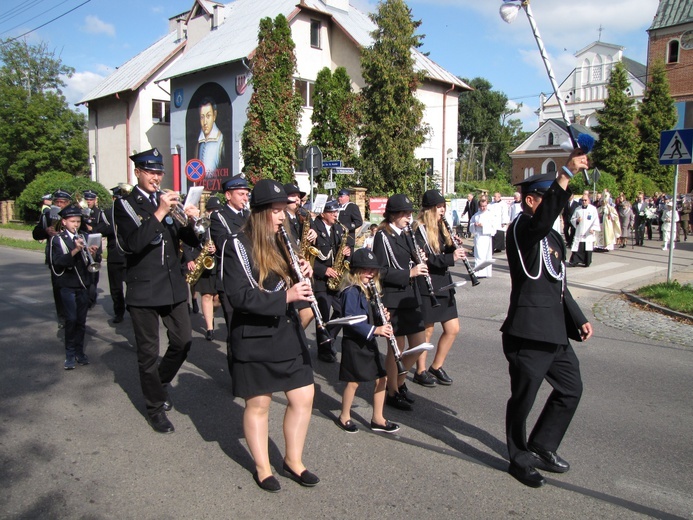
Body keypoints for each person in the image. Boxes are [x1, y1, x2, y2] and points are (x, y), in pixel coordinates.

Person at [501, 151, 593, 488]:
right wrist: (566, 172)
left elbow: (558, 284)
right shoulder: (524, 228)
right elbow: (541, 222)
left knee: (571, 388)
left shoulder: (552, 236)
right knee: (523, 399)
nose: (556, 205)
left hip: (554, 331)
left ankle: (542, 444)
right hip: (528, 332)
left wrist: (577, 318)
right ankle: (519, 457)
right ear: (530, 200)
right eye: (547, 197)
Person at [223, 179, 318, 492]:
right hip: (254, 336)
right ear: (260, 211)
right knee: (259, 404)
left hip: (285, 331)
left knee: (304, 395)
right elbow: (238, 297)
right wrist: (286, 297)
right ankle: (263, 467)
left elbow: (291, 284)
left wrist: (303, 270)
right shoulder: (236, 244)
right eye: (276, 211)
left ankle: (294, 460)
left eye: (283, 210)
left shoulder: (283, 240)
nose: (282, 216)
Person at [113, 148, 199, 434]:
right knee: (148, 353)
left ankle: (160, 382)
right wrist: (161, 212)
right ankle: (154, 407)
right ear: (137, 172)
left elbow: (189, 240)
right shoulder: (125, 204)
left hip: (173, 286)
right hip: (144, 289)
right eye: (150, 172)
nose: (156, 177)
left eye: (159, 172)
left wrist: (190, 219)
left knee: (183, 341)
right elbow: (131, 244)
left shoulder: (168, 202)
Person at [372, 194, 429, 411]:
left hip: (410, 296)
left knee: (420, 344)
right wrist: (409, 273)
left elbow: (409, 259)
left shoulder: (407, 234)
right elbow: (380, 272)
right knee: (397, 348)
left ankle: (398, 382)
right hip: (394, 298)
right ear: (394, 215)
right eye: (405, 214)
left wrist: (419, 258)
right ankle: (392, 391)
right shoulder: (382, 237)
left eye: (410, 213)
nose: (409, 217)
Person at [335, 248, 399, 434]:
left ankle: (378, 418)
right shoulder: (351, 292)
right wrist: (375, 329)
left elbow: (371, 315)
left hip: (368, 341)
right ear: (355, 271)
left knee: (382, 379)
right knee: (353, 382)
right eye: (366, 270)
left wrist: (382, 317)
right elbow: (351, 320)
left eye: (373, 271)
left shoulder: (369, 290)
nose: (370, 274)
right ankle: (344, 416)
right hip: (354, 343)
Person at [412, 190, 466, 387]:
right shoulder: (419, 230)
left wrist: (454, 246)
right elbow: (426, 258)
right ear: (430, 209)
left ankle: (437, 366)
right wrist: (451, 257)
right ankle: (420, 370)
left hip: (444, 282)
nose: (443, 210)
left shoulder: (442, 225)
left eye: (444, 206)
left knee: (453, 328)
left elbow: (445, 249)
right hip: (428, 283)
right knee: (427, 330)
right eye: (439, 207)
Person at [49, 205, 100, 369]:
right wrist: (75, 250)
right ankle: (69, 353)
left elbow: (89, 262)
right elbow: (58, 262)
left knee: (81, 320)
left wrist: (92, 253)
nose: (76, 225)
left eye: (78, 221)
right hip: (67, 285)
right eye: (72, 221)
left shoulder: (84, 236)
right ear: (64, 222)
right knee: (71, 319)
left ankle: (80, 352)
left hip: (83, 284)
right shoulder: (57, 240)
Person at [209, 175, 250, 367]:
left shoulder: (248, 215)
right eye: (241, 194)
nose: (245, 198)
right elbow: (222, 243)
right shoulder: (219, 216)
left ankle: (248, 365)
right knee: (235, 328)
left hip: (249, 279)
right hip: (230, 280)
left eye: (246, 194)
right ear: (228, 195)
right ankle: (236, 371)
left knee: (248, 327)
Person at [311, 199, 349, 362]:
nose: (336, 214)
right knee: (324, 316)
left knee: (343, 311)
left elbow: (342, 249)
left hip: (336, 279)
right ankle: (324, 350)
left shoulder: (338, 229)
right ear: (322, 213)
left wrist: (348, 252)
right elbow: (307, 257)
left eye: (337, 211)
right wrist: (324, 270)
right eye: (332, 212)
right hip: (320, 280)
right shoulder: (314, 229)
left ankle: (329, 339)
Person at [33, 189, 72, 328]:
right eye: (57, 202)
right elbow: (36, 234)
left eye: (63, 202)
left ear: (68, 203)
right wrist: (46, 231)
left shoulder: (74, 214)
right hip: (55, 257)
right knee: (59, 288)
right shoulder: (47, 215)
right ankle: (62, 316)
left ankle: (74, 314)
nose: (60, 204)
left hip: (73, 255)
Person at [182, 205, 218, 340]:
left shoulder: (218, 224)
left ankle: (211, 315)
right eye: (211, 211)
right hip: (201, 260)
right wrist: (190, 259)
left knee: (217, 299)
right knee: (207, 295)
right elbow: (186, 243)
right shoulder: (199, 223)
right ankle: (209, 327)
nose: (212, 213)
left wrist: (216, 248)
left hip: (216, 262)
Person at [102, 186, 127, 323]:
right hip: (114, 255)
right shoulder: (107, 213)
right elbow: (100, 229)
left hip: (129, 254)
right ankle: (119, 311)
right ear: (113, 199)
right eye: (118, 198)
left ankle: (131, 306)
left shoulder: (131, 211)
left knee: (132, 284)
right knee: (116, 287)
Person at [80, 190, 107, 308]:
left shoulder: (99, 213)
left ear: (95, 200)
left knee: (93, 276)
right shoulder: (81, 212)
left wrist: (92, 228)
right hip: (83, 248)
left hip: (96, 248)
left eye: (90, 200)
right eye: (87, 199)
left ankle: (91, 298)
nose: (88, 202)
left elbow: (105, 227)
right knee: (84, 274)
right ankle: (85, 297)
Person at [197, 96, 225, 176]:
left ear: (214, 115)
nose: (205, 122)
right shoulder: (199, 142)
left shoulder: (221, 141)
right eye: (202, 117)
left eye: (208, 116)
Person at [568, 196, 599, 267]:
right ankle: (574, 261)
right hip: (580, 231)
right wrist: (576, 220)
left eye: (585, 200)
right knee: (578, 247)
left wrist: (593, 228)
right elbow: (572, 219)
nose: (584, 201)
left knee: (587, 247)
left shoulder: (593, 209)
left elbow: (596, 220)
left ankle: (586, 262)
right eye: (582, 200)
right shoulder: (577, 209)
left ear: (588, 200)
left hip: (588, 232)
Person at [469, 194, 496, 278]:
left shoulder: (490, 215)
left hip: (486, 236)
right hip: (478, 236)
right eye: (481, 206)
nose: (483, 208)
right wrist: (474, 225)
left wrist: (483, 226)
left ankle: (485, 272)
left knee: (485, 256)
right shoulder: (476, 215)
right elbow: (471, 225)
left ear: (487, 205)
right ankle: (479, 272)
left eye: (484, 206)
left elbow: (493, 227)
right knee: (479, 255)